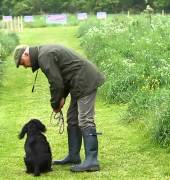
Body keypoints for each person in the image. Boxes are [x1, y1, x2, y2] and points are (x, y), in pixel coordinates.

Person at [13, 44, 105, 172]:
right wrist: (62, 97)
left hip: (86, 80)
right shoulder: (43, 54)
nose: (26, 66)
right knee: (73, 118)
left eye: (23, 63)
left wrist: (55, 103)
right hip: (77, 82)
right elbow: (64, 75)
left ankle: (92, 161)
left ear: (26, 54)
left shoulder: (44, 56)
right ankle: (73, 156)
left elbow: (56, 82)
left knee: (85, 119)